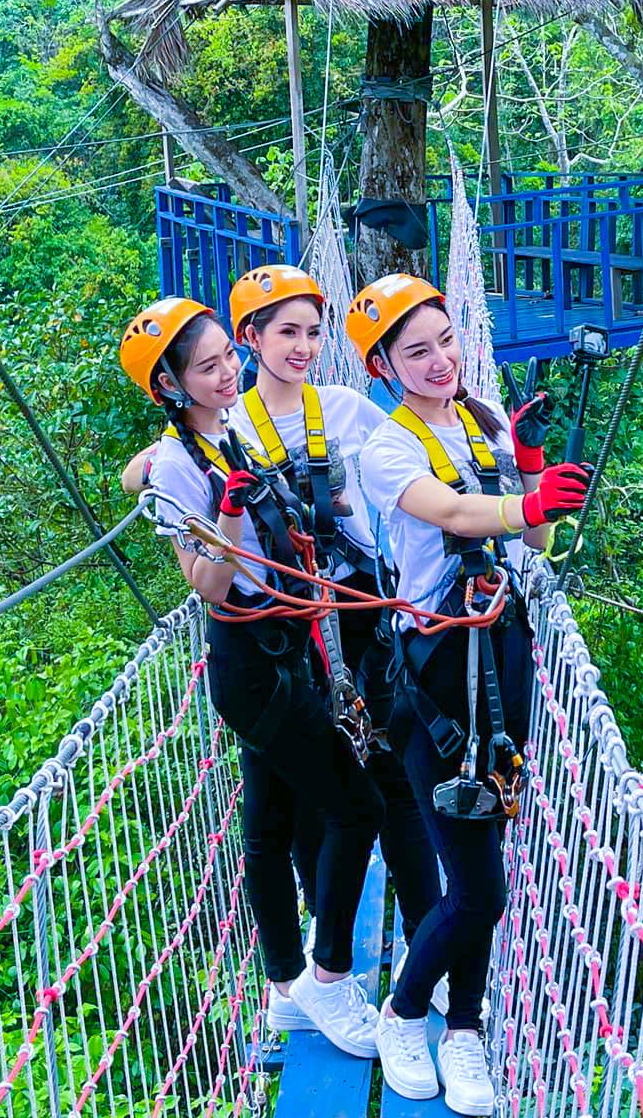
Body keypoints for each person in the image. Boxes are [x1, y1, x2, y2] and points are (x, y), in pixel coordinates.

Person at [346, 273, 593, 1114]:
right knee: (479, 887)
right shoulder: (387, 445)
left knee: (482, 865)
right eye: (418, 351)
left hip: (504, 653)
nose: (442, 360)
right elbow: (449, 513)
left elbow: (541, 538)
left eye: (447, 340)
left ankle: (465, 1030)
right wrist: (523, 497)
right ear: (382, 366)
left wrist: (529, 469)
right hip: (435, 676)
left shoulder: (481, 421)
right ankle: (404, 1012)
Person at [116, 296, 382, 1059]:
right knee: (353, 805)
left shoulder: (232, 429)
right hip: (250, 664)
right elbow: (207, 581)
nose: (229, 371)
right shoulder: (176, 466)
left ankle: (285, 990)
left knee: (271, 825)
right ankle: (328, 981)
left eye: (227, 358)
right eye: (208, 367)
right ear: (172, 386)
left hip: (289, 642)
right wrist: (228, 516)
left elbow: (138, 468)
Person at [221, 264, 447, 988]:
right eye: (287, 331)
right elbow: (156, 472)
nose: (304, 346)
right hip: (281, 635)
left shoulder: (347, 407)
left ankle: (425, 941)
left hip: (357, 615)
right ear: (248, 339)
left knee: (391, 778)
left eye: (313, 332)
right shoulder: (224, 428)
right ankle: (331, 953)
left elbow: (416, 441)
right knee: (314, 797)